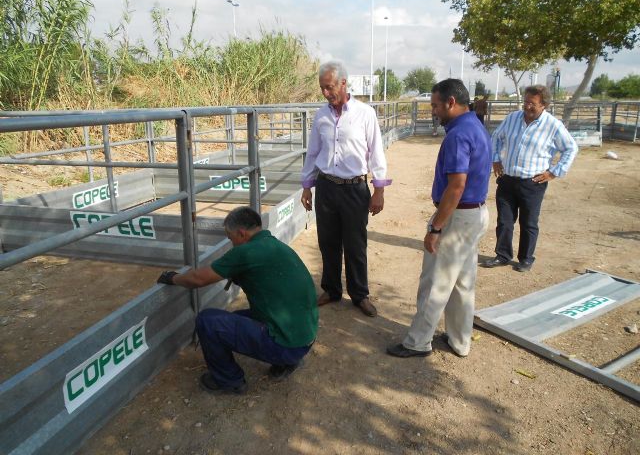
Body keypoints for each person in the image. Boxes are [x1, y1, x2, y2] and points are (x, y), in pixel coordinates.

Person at [157, 206, 318, 395]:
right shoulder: (275, 245)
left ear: (241, 233)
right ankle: (287, 362)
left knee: (208, 322)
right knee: (232, 319)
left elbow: (198, 279)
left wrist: (172, 278)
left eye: (229, 236)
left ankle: (229, 380)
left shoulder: (245, 252)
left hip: (287, 346)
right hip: (304, 338)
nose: (229, 240)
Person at [387, 78, 490, 358]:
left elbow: (456, 187)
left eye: (435, 105)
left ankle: (418, 342)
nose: (433, 111)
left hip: (458, 217)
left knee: (436, 282)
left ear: (451, 103)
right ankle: (459, 340)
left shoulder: (458, 135)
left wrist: (435, 227)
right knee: (462, 282)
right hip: (475, 213)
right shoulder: (475, 126)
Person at [300, 60, 391, 318]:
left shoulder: (365, 113)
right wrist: (307, 186)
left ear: (343, 83)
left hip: (355, 189)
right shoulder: (321, 115)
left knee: (355, 244)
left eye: (329, 87)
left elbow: (376, 152)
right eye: (322, 89)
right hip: (327, 187)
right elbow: (313, 152)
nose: (326, 93)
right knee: (327, 242)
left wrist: (379, 190)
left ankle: (360, 294)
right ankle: (331, 289)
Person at [481, 85, 578, 272]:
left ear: (544, 105)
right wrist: (495, 159)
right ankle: (502, 255)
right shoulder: (512, 118)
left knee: (529, 223)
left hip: (532, 183)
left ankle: (526, 258)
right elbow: (496, 137)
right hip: (507, 179)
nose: (527, 107)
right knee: (504, 221)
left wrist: (554, 172)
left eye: (532, 104)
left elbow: (571, 148)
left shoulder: (553, 125)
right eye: (526, 102)